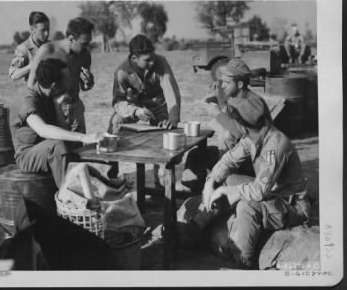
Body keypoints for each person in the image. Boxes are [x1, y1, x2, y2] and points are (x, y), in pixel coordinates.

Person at [178, 96, 310, 268]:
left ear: (242, 125)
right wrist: (210, 182)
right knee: (229, 179)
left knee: (246, 206)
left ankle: (244, 261)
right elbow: (229, 160)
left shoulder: (276, 146)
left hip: (289, 204)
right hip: (272, 192)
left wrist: (227, 192)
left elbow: (259, 191)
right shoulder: (255, 135)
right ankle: (196, 226)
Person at [180, 58, 272, 193]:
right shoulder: (235, 99)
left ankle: (217, 194)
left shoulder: (253, 103)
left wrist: (217, 114)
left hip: (252, 163)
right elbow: (228, 121)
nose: (222, 85)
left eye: (227, 82)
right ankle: (197, 195)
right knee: (195, 155)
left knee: (227, 177)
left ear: (240, 84)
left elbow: (240, 133)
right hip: (235, 155)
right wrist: (217, 99)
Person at [10, 58, 102, 189]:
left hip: (47, 149)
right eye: (67, 80)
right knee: (57, 146)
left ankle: (104, 185)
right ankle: (67, 197)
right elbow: (43, 130)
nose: (70, 82)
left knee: (76, 146)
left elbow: (62, 129)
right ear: (54, 85)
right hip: (27, 156)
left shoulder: (49, 97)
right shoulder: (28, 100)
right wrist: (83, 137)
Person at [27, 17, 95, 134]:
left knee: (79, 147)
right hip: (53, 108)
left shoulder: (85, 55)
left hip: (75, 106)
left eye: (89, 42)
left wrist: (89, 82)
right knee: (60, 147)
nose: (87, 47)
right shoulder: (47, 50)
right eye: (84, 43)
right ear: (71, 39)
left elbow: (85, 87)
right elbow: (31, 85)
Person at [107, 34, 181, 134]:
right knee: (116, 121)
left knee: (165, 130)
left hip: (159, 106)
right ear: (134, 58)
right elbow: (118, 102)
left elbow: (171, 92)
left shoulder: (161, 62)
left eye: (153, 57)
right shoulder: (121, 72)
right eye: (147, 60)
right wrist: (135, 111)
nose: (152, 62)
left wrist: (173, 119)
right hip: (135, 106)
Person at [9, 11, 50, 82]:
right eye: (43, 30)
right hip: (32, 92)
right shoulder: (23, 49)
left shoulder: (51, 46)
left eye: (48, 29)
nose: (46, 33)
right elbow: (13, 75)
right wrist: (32, 66)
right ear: (32, 29)